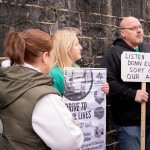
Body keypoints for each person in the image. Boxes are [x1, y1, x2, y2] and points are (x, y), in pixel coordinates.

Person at [0, 29, 84, 150]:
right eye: (52, 55)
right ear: (45, 57)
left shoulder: (7, 79)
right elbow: (72, 143)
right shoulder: (44, 97)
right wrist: (70, 123)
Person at [101, 16, 150, 150]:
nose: (139, 31)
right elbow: (108, 82)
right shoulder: (113, 54)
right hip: (129, 123)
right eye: (133, 28)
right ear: (123, 32)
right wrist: (132, 94)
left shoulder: (148, 50)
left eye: (140, 27)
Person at [49, 28, 109, 95]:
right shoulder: (53, 73)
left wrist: (100, 89)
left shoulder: (76, 67)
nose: (81, 47)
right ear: (66, 47)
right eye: (76, 44)